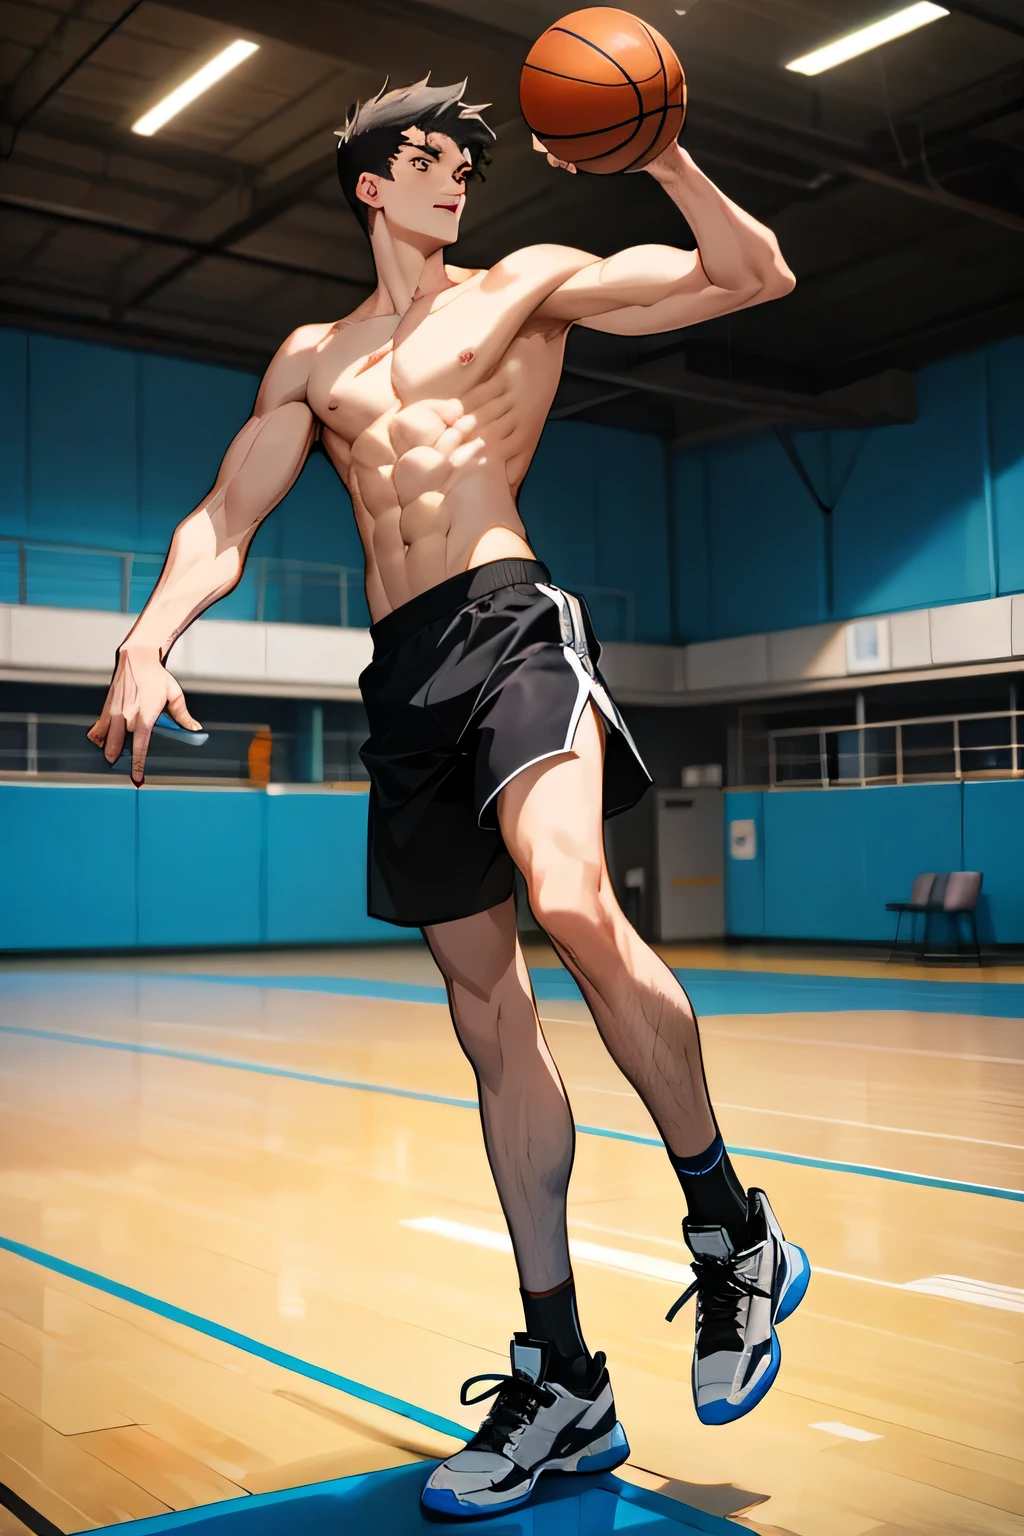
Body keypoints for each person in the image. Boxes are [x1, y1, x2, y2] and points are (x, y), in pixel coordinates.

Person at [87, 77, 808, 1519]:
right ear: (367, 185)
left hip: (509, 621)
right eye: (423, 159)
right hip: (402, 672)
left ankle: (731, 1232)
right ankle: (565, 1377)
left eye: (464, 163)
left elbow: (752, 273)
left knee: (567, 895)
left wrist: (665, 160)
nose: (451, 179)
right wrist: (146, 636)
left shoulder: (528, 287)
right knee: (492, 1022)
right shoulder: (313, 360)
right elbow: (226, 519)